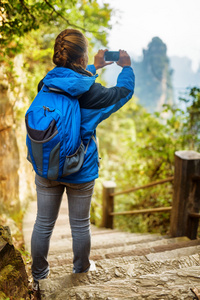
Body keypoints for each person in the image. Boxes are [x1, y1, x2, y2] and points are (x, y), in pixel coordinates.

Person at [31, 28, 135, 291]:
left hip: (47, 167)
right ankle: (81, 273)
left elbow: (71, 82)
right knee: (80, 226)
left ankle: (39, 277)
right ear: (81, 58)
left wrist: (93, 67)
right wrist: (126, 67)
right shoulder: (94, 95)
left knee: (43, 223)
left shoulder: (46, 83)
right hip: (80, 169)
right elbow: (123, 92)